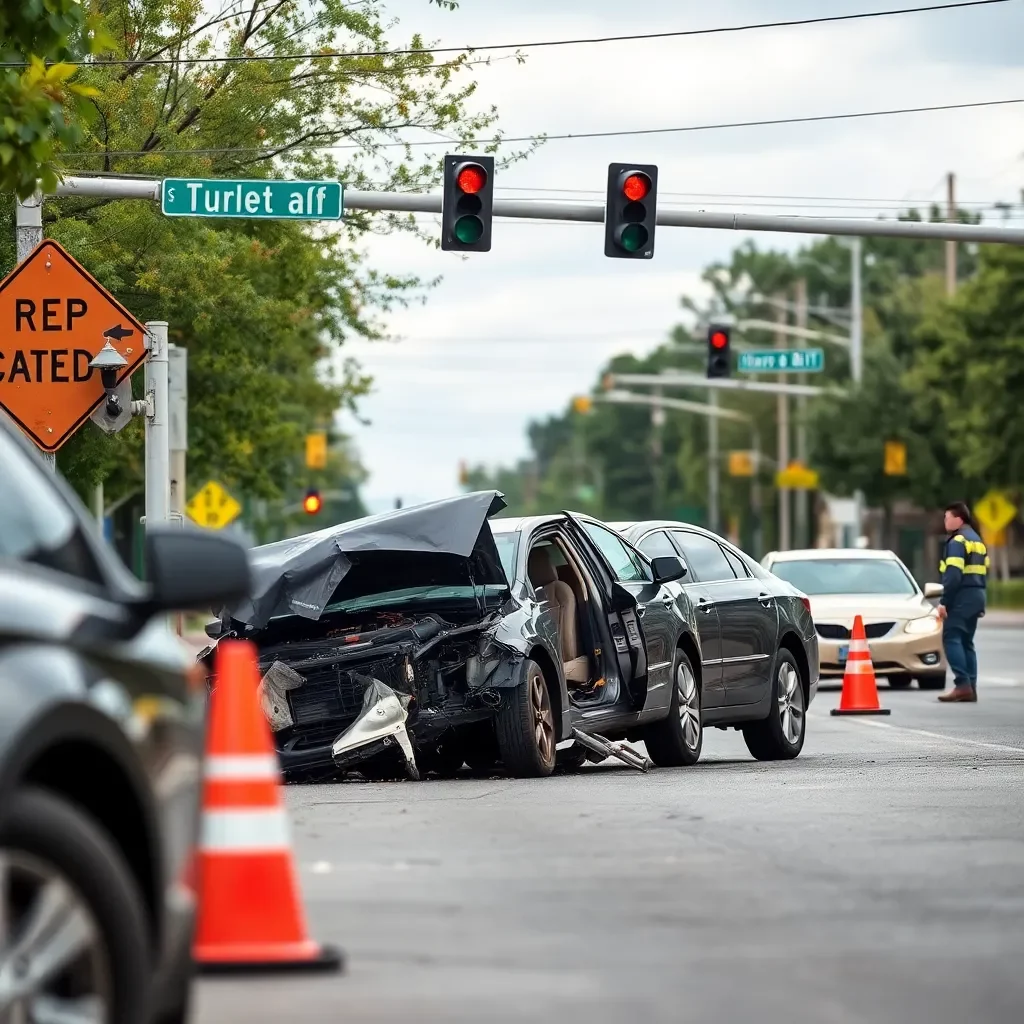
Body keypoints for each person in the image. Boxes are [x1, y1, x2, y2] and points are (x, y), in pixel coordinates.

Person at [936, 501, 989, 703]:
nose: (945, 520)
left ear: (958, 519)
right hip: (977, 594)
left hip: (961, 596)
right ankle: (970, 687)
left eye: (947, 517)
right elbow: (984, 572)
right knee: (967, 641)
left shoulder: (957, 541)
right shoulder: (977, 540)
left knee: (951, 637)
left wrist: (944, 602)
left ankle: (962, 685)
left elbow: (953, 575)